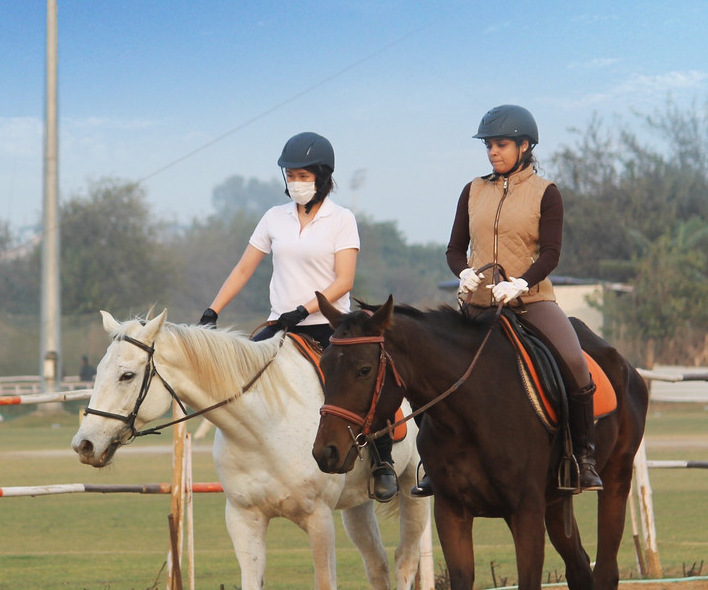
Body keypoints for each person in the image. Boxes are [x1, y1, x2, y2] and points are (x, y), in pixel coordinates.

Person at [413, 104, 603, 498]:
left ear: (525, 145)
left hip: (531, 301)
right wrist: (462, 273)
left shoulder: (545, 193)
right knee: (434, 367)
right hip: (478, 304)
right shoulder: (473, 190)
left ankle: (582, 455)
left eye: (500, 145)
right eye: (489, 146)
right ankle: (433, 462)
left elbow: (551, 253)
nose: (492, 152)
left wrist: (520, 283)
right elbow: (454, 249)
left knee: (573, 362)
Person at [198, 132, 397, 502]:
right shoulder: (274, 218)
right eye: (291, 176)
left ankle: (382, 461)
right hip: (279, 327)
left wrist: (304, 309)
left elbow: (344, 281)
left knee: (363, 385)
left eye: (304, 176)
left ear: (322, 178)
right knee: (239, 385)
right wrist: (213, 310)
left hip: (331, 326)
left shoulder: (342, 219)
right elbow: (243, 270)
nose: (296, 183)